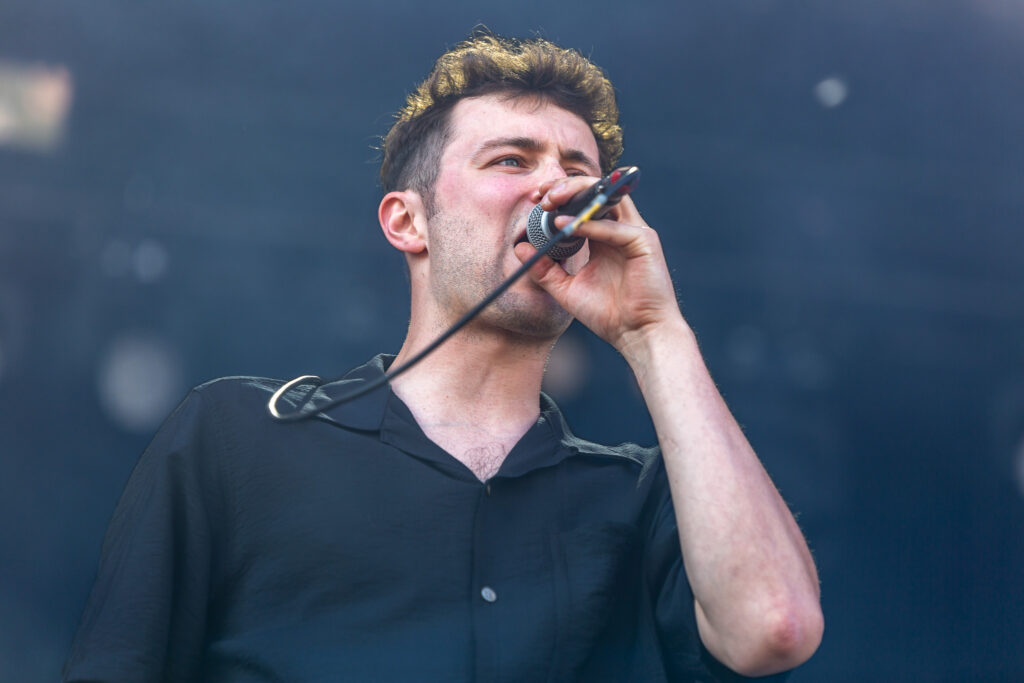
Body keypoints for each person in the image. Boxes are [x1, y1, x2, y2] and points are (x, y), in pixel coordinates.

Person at [63, 32, 822, 682]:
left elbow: (776, 626)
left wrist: (655, 333)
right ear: (408, 222)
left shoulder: (640, 496)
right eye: (511, 160)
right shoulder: (237, 437)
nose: (555, 188)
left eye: (576, 170)